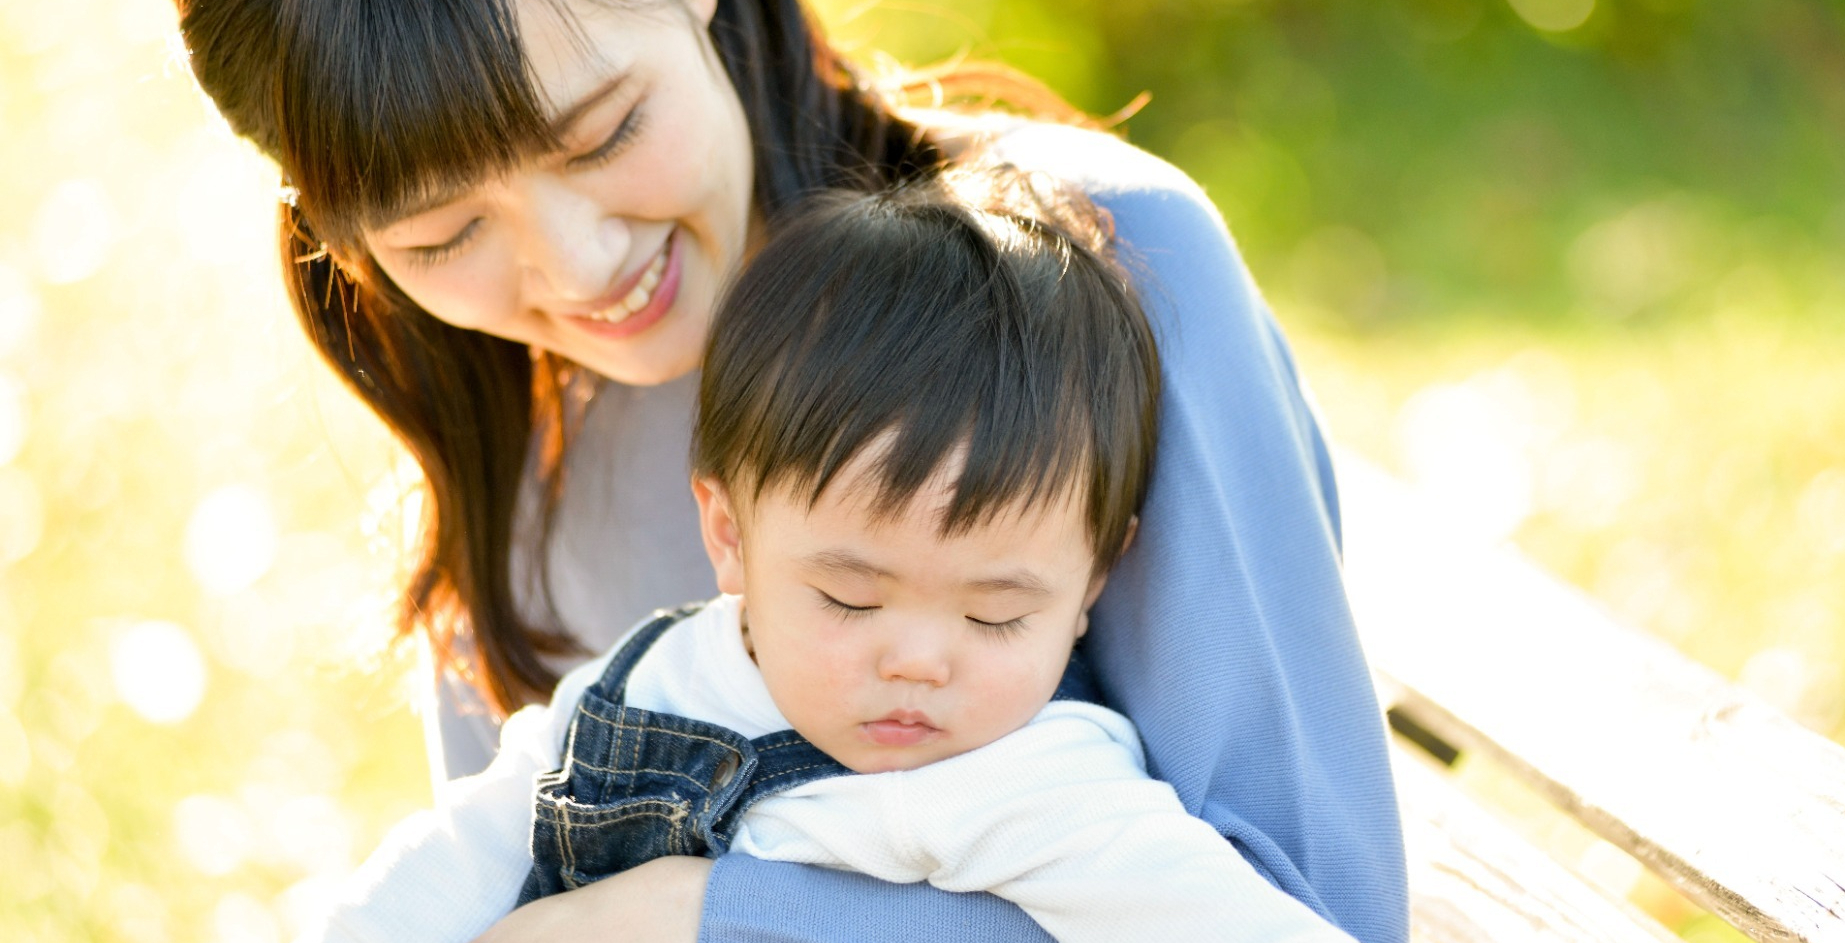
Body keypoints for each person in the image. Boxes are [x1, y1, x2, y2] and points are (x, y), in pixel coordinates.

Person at [175, 1, 1408, 941]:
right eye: (443, 233)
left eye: (606, 132)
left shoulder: (1094, 279)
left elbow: (1317, 912)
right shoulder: (516, 451)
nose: (576, 265)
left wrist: (694, 913)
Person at [309, 169, 1356, 943]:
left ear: (1091, 585)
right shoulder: (646, 682)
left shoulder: (1025, 785)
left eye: (996, 615)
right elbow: (473, 841)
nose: (915, 659)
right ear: (727, 536)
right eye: (848, 598)